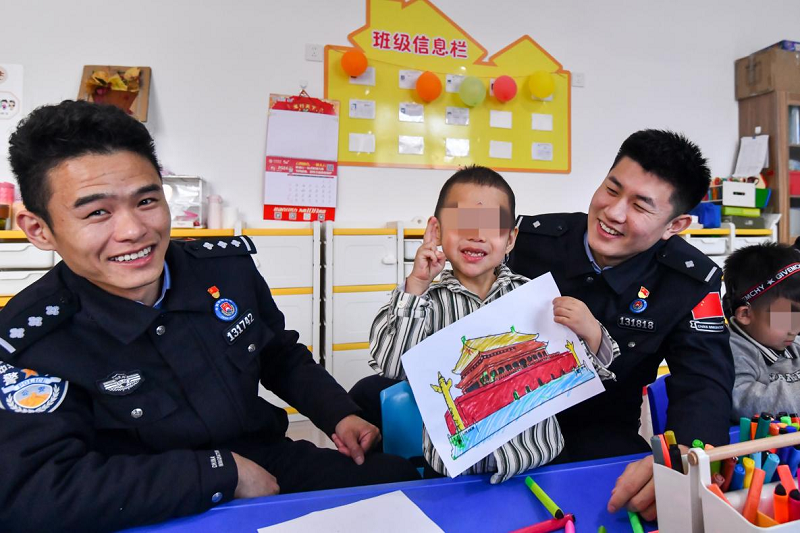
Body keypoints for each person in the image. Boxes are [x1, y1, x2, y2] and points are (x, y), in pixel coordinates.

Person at [0, 100, 419, 532]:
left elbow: (278, 354)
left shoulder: (223, 270)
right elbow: (35, 491)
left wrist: (338, 413)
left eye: (146, 200)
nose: (134, 230)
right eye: (97, 212)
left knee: (397, 483)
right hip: (142, 495)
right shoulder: (30, 340)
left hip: (264, 460)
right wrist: (220, 473)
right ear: (39, 229)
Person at [507, 129, 734, 520]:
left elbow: (703, 381)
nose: (613, 212)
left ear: (675, 225)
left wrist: (687, 456)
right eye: (611, 189)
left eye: (640, 207)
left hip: (599, 440)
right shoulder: (526, 241)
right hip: (502, 433)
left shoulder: (689, 282)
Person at [365, 165, 619, 483]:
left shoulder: (534, 296)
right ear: (437, 231)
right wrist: (416, 286)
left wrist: (591, 331)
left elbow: (595, 369)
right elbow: (390, 366)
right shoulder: (423, 301)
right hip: (456, 475)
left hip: (541, 461)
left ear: (510, 239)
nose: (477, 234)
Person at [723, 243, 800, 419]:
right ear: (745, 314)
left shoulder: (794, 343)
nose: (796, 328)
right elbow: (743, 403)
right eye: (785, 318)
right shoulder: (730, 353)